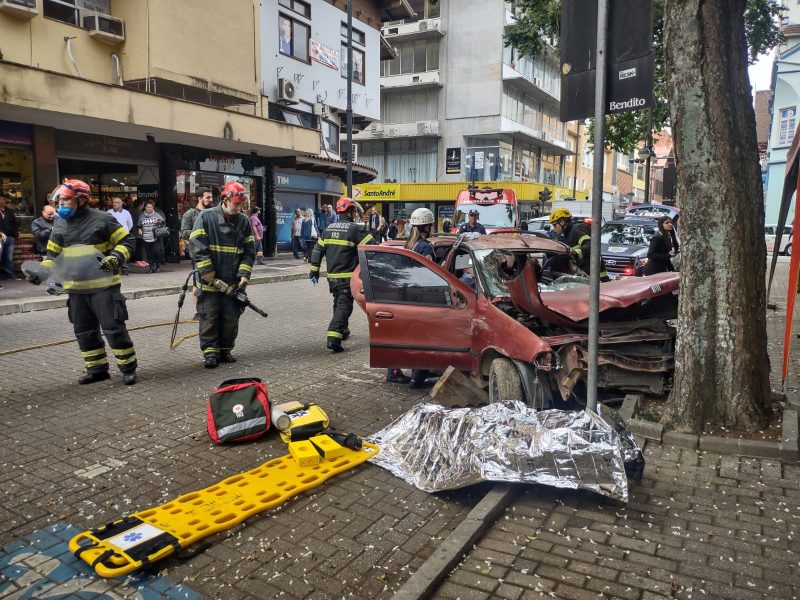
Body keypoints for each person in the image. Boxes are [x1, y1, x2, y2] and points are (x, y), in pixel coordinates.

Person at [28, 179, 137, 385]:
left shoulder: (103, 219)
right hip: (76, 289)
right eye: (59, 201)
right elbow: (52, 255)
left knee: (113, 328)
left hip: (104, 287)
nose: (61, 205)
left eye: (66, 200)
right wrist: (41, 272)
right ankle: (97, 370)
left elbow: (127, 241)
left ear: (81, 199)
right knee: (84, 331)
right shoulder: (59, 224)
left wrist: (115, 258)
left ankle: (128, 368)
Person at [190, 180, 256, 368]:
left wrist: (244, 275)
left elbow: (249, 251)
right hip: (210, 283)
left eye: (240, 205)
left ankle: (225, 350)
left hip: (232, 284)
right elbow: (197, 247)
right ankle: (210, 353)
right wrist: (208, 273)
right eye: (235, 204)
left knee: (230, 319)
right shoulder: (206, 218)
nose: (237, 208)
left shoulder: (243, 221)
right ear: (225, 199)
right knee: (209, 318)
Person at [309, 197, 374, 353]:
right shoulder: (355, 229)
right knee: (344, 307)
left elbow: (317, 250)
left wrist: (314, 270)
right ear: (351, 211)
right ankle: (333, 338)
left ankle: (343, 331)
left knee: (338, 303)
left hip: (332, 278)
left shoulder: (328, 229)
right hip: (347, 278)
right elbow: (373, 246)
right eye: (354, 211)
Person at [404, 207, 437, 388]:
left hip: (411, 294)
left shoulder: (410, 244)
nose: (432, 228)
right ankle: (417, 377)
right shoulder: (425, 247)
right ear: (426, 226)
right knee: (425, 337)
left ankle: (416, 372)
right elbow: (431, 273)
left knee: (415, 336)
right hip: (424, 296)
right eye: (431, 225)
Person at [549, 208, 609, 281]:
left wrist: (575, 253)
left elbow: (591, 245)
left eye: (555, 225)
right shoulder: (563, 236)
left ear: (562, 222)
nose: (553, 228)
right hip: (581, 278)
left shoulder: (577, 229)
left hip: (596, 279)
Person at [180, 187, 214, 258]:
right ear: (200, 199)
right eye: (208, 197)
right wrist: (202, 233)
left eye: (211, 197)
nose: (211, 200)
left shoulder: (214, 213)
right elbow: (184, 233)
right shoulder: (190, 214)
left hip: (214, 250)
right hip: (198, 252)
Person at [138, 201, 166, 273]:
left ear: (153, 208)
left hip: (155, 237)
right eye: (148, 207)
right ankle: (151, 267)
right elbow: (139, 225)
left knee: (156, 252)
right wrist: (139, 229)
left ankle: (158, 266)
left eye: (151, 207)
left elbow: (163, 223)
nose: (149, 208)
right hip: (145, 237)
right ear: (145, 208)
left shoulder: (157, 215)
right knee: (149, 253)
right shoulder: (141, 216)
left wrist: (159, 222)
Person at [108, 197, 133, 274]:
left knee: (122, 251)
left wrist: (125, 232)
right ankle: (115, 269)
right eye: (114, 202)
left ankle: (124, 269)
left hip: (123, 236)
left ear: (121, 203)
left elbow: (130, 224)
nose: (115, 204)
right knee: (113, 252)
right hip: (112, 236)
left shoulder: (126, 213)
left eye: (117, 202)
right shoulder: (109, 212)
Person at [0, 194, 19, 280]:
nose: (2, 201)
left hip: (9, 237)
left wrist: (14, 234)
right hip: (0, 238)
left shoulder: (10, 211)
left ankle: (10, 274)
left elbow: (15, 224)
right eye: (0, 199)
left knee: (9, 257)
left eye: (3, 199)